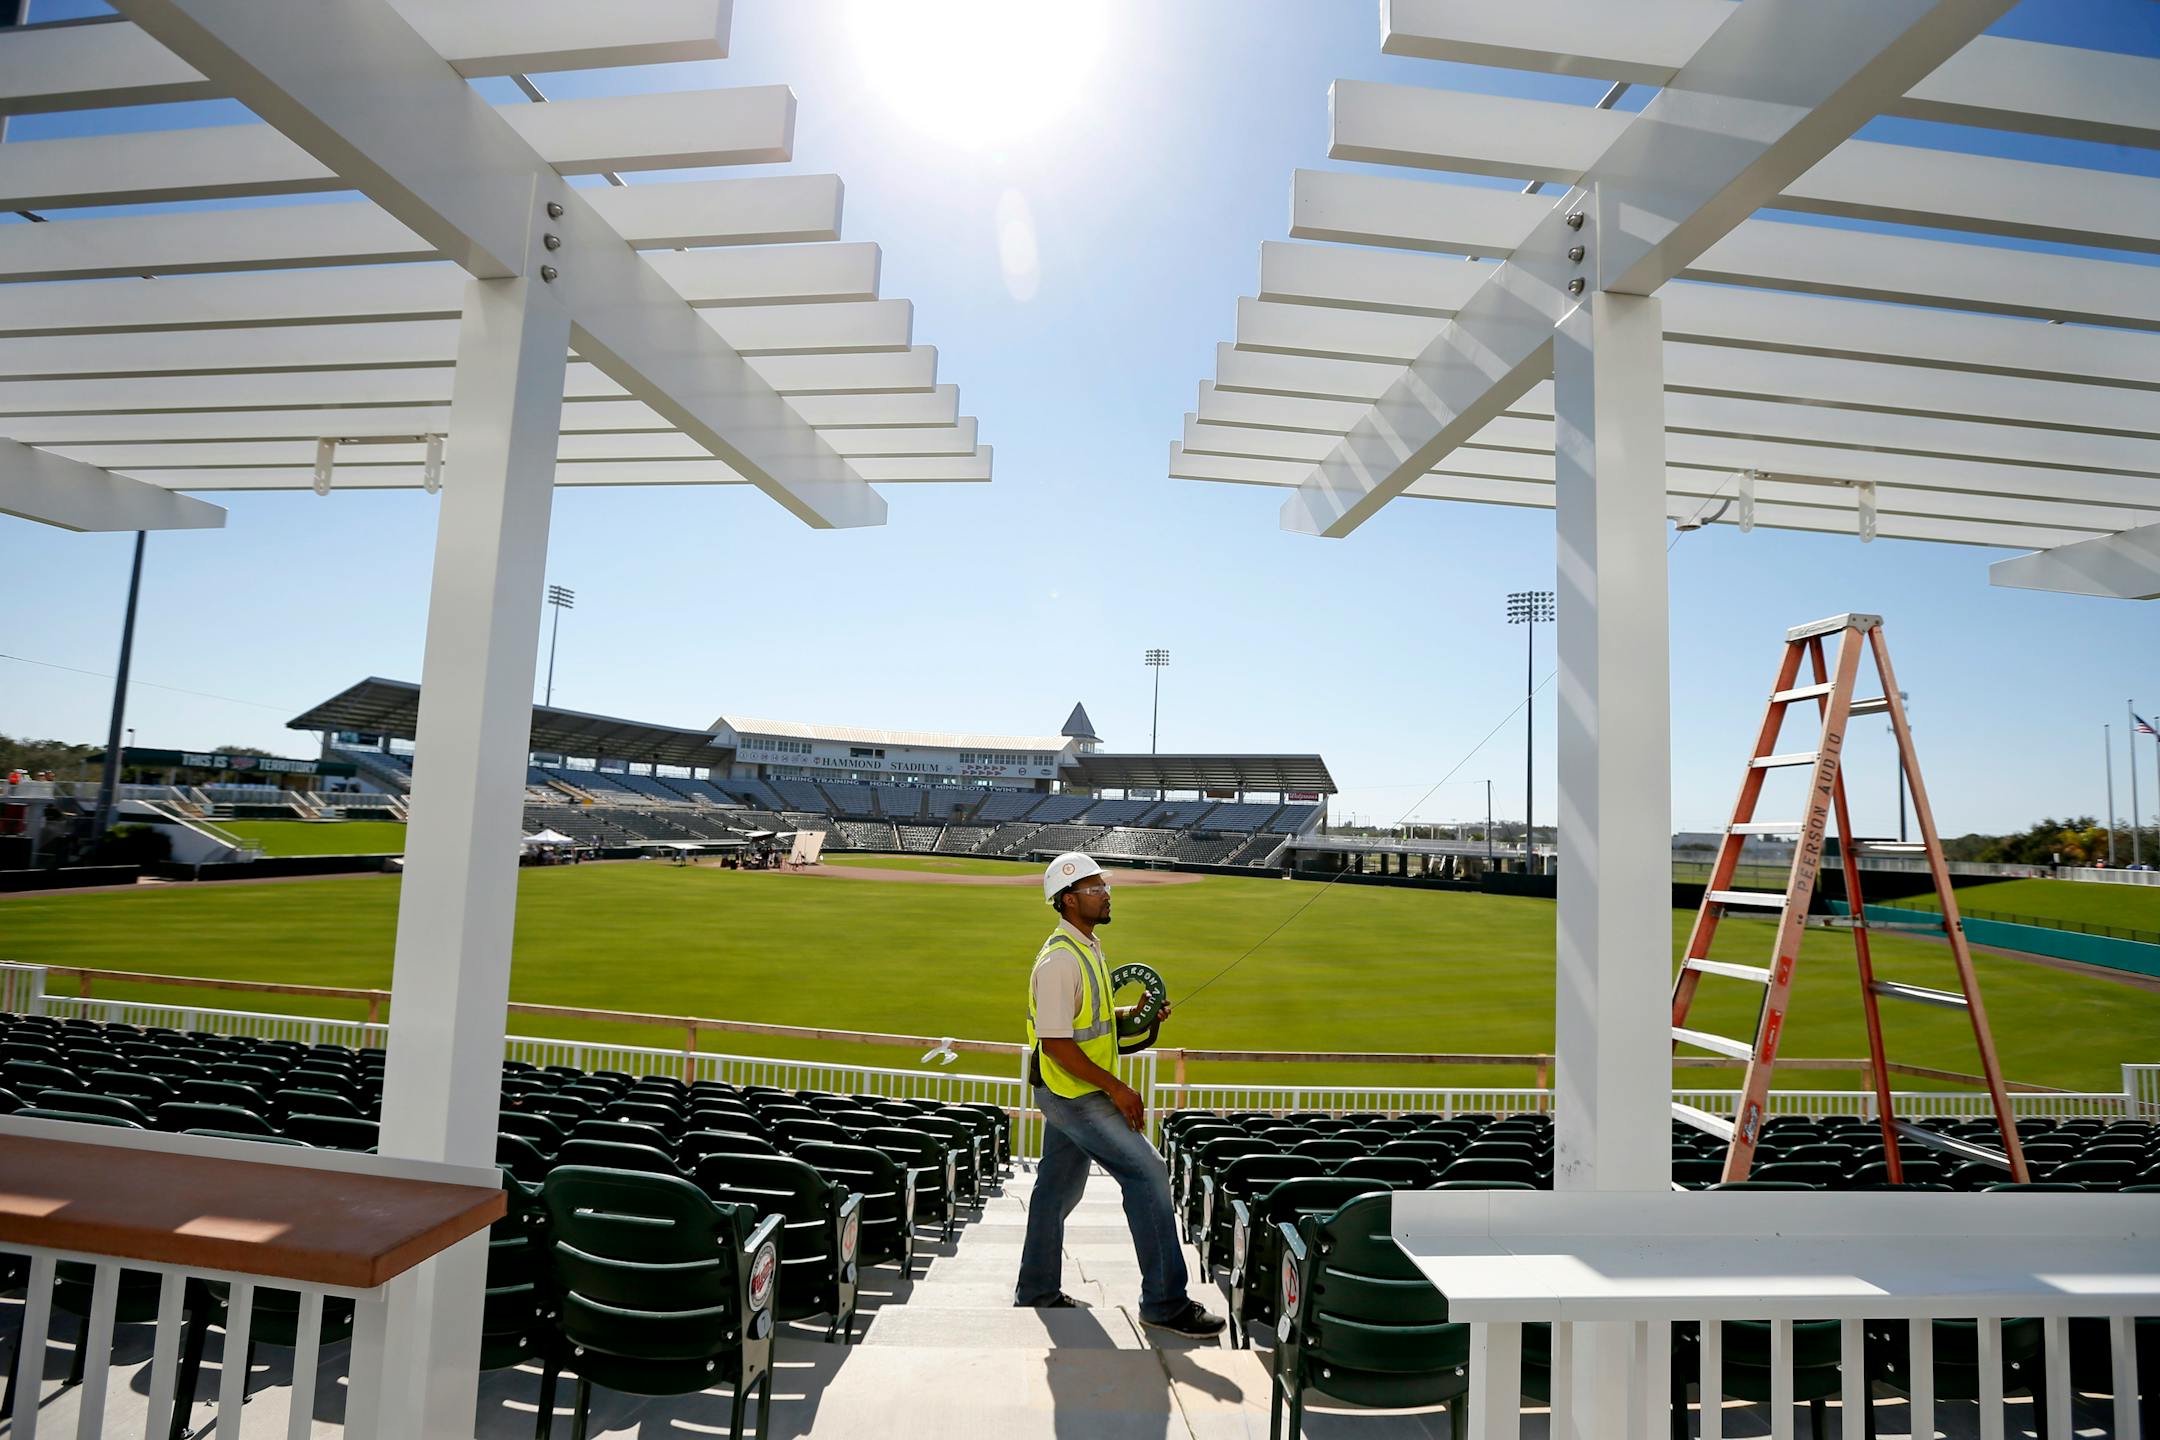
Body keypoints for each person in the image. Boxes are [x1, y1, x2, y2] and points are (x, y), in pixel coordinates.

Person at [1015, 852, 1224, 1337]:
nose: (1106, 893)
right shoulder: (1060, 961)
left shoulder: (1087, 947)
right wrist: (1119, 1089)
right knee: (1148, 1172)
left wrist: (1139, 1015)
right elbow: (1056, 1043)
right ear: (1069, 900)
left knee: (1056, 1190)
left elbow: (1095, 1024)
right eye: (1095, 888)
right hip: (1075, 1094)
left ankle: (1037, 1291)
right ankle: (1165, 1302)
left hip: (1074, 1089)